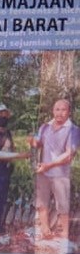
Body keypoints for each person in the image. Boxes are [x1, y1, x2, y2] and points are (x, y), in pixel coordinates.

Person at [29, 98, 80, 244]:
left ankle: (64, 235)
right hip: (43, 173)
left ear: (69, 112)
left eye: (63, 109)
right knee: (42, 203)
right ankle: (45, 230)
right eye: (57, 109)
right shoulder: (45, 127)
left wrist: (48, 165)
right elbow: (38, 143)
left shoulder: (74, 130)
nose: (60, 113)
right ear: (53, 111)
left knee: (63, 205)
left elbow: (69, 155)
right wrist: (34, 142)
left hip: (60, 175)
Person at [0, 103, 30, 247]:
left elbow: (8, 152)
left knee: (1, 204)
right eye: (0, 115)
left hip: (5, 173)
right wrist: (22, 155)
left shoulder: (7, 133)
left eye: (5, 115)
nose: (3, 117)